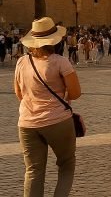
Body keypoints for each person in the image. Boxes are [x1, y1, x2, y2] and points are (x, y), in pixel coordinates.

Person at [14, 17, 82, 197]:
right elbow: (75, 93)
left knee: (33, 171)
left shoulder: (22, 62)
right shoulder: (60, 62)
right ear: (56, 40)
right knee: (66, 164)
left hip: (27, 124)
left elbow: (19, 94)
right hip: (57, 121)